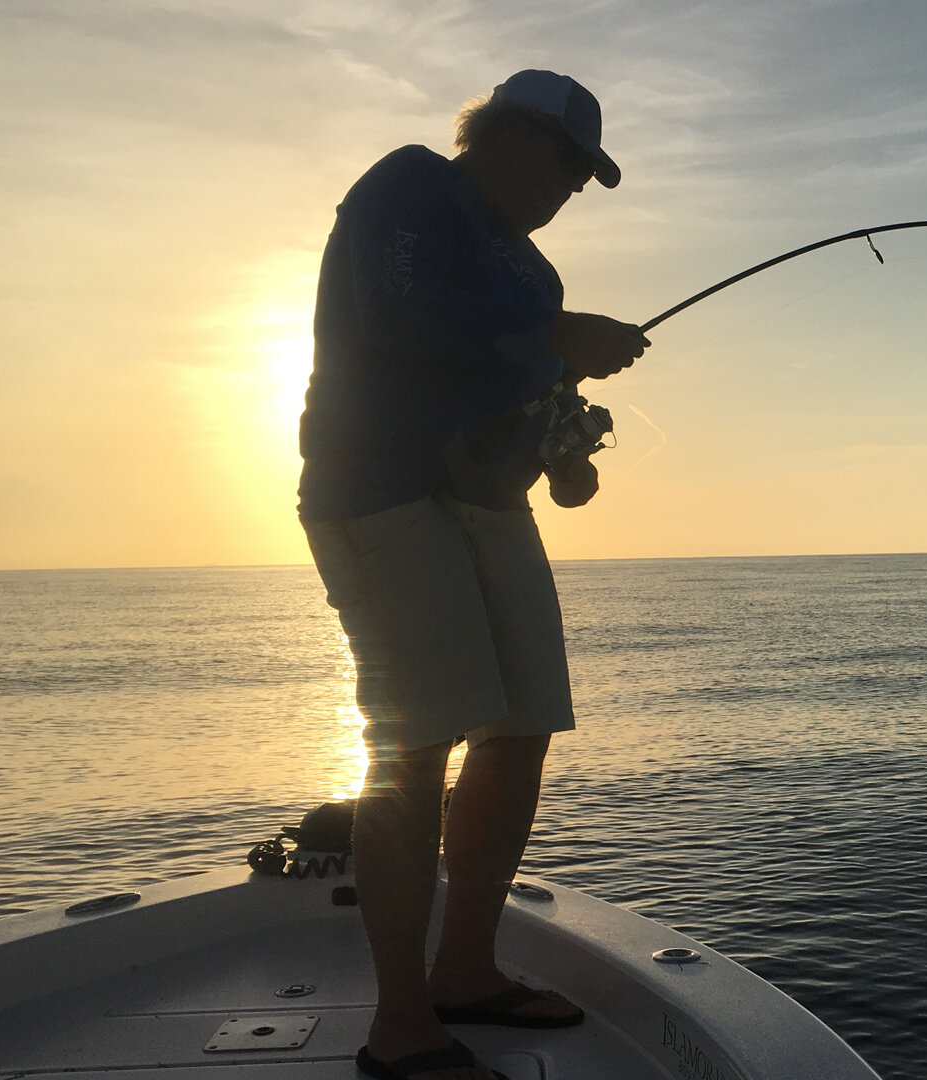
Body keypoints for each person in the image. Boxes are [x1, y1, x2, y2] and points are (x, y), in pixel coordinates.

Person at [295, 70, 648, 1080]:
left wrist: (566, 443)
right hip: (380, 493)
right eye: (564, 163)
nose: (567, 188)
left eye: (582, 178)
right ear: (503, 135)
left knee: (523, 723)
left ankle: (465, 970)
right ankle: (401, 1025)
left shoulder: (535, 278)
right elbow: (398, 316)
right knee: (415, 746)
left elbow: (524, 390)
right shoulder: (408, 188)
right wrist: (553, 344)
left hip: (489, 502)